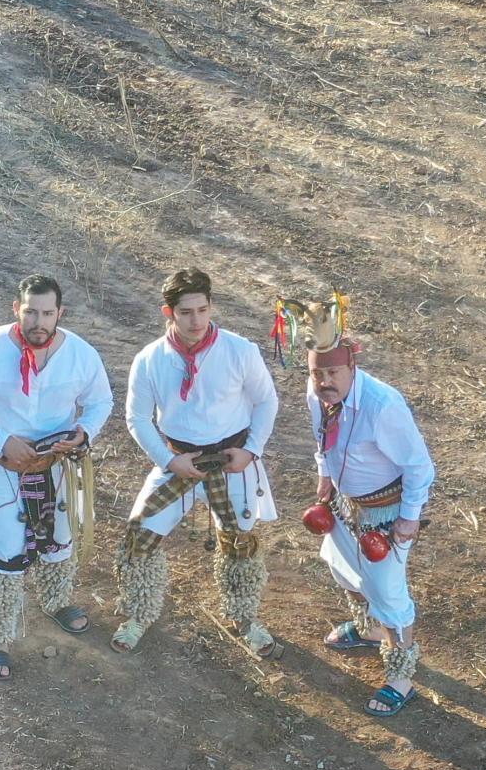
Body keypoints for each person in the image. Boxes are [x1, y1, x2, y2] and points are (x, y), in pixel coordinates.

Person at [0, 274, 115, 681]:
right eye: (30, 312)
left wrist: (83, 433)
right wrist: (3, 440)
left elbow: (100, 401)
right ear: (16, 310)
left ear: (60, 314)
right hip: (1, 466)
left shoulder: (81, 354)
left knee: (60, 540)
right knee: (3, 551)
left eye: (47, 313)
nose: (38, 321)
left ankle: (56, 600)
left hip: (56, 466)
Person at [114, 267, 280, 657]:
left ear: (211, 306)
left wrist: (251, 450)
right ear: (167, 312)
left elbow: (267, 401)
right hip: (178, 460)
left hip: (231, 458)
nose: (196, 321)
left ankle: (245, 618)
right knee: (141, 532)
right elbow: (136, 419)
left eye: (202, 310)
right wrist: (169, 462)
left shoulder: (240, 350)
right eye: (186, 312)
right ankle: (138, 613)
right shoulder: (149, 359)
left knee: (242, 540)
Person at [306, 331, 435, 716]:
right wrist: (325, 482)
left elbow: (419, 467)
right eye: (317, 373)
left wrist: (409, 519)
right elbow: (322, 442)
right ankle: (369, 630)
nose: (324, 382)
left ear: (352, 367)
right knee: (340, 567)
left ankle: (401, 678)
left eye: (332, 372)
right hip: (345, 504)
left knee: (388, 593)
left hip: (386, 513)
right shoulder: (317, 394)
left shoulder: (382, 405)